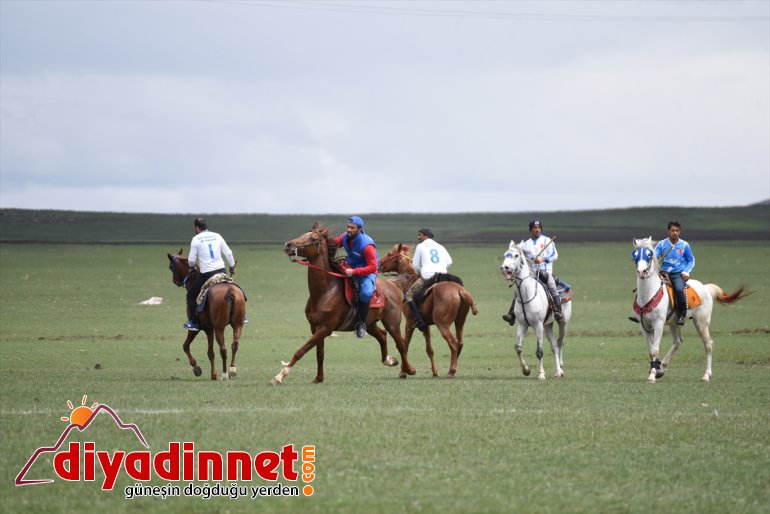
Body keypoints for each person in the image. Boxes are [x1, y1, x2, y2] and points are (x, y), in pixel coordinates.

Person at [502, 219, 562, 324]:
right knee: (518, 289)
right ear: (531, 230)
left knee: (552, 285)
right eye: (535, 228)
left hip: (545, 270)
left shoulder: (547, 241)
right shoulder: (525, 244)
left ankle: (558, 311)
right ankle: (511, 314)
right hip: (531, 272)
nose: (537, 230)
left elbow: (555, 255)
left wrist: (543, 259)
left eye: (539, 228)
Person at [183, 217, 236, 331]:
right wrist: (231, 266)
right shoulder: (217, 235)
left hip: (207, 274)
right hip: (221, 271)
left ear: (197, 227)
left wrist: (192, 267)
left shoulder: (196, 239)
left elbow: (191, 260)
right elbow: (228, 252)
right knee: (234, 289)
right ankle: (242, 315)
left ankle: (194, 322)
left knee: (191, 296)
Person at [331, 216, 379, 338]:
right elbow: (334, 243)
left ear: (360, 229)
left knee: (366, 293)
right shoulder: (345, 237)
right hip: (349, 267)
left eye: (352, 227)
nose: (349, 229)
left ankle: (362, 324)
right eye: (348, 226)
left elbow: (373, 267)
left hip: (367, 272)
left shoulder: (367, 245)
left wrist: (354, 272)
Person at [405, 228, 453, 331]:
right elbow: (449, 261)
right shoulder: (440, 246)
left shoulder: (420, 246)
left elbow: (415, 266)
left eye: (419, 235)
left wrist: (422, 272)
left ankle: (418, 320)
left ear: (425, 235)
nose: (418, 238)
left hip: (427, 276)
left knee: (408, 295)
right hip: (442, 276)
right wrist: (440, 267)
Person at [655, 220, 695, 325]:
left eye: (677, 231)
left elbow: (691, 260)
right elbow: (654, 257)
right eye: (673, 230)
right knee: (647, 285)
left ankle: (682, 314)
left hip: (677, 274)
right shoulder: (662, 244)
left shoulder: (684, 245)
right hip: (663, 273)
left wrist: (686, 272)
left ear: (679, 232)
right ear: (668, 231)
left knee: (678, 289)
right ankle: (640, 312)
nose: (675, 233)